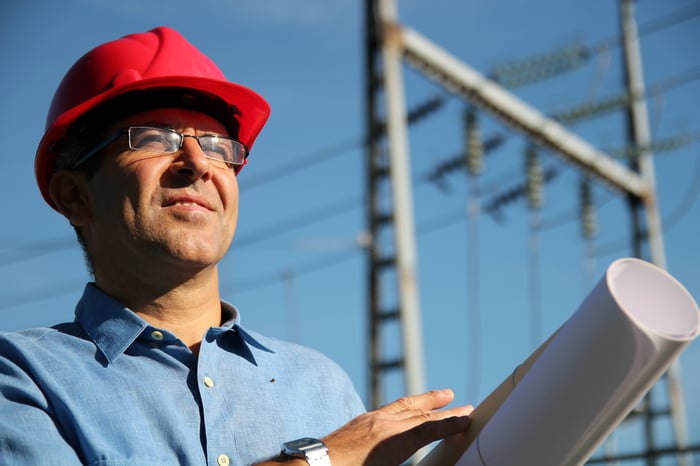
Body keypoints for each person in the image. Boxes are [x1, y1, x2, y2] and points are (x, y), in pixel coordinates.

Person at [0, 27, 472, 465]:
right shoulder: (23, 377)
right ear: (75, 195)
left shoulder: (321, 384)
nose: (197, 162)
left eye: (218, 146)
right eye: (153, 138)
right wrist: (321, 459)